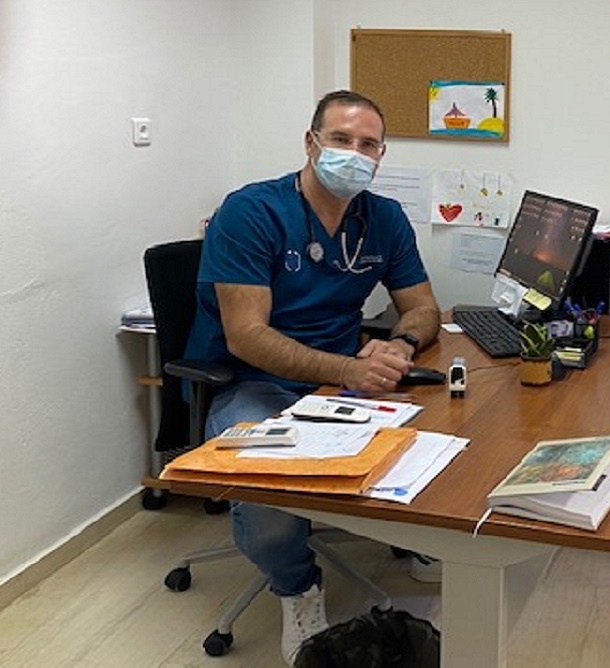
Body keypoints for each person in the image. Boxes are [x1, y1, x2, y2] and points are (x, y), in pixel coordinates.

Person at [185, 90, 441, 666]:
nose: (356, 153)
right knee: (264, 492)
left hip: (338, 384)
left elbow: (423, 307)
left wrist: (399, 344)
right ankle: (298, 588)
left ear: (381, 155)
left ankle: (421, 540)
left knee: (441, 433)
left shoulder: (384, 218)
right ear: (311, 142)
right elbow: (247, 336)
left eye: (369, 145)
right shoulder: (250, 212)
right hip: (249, 381)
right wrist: (350, 367)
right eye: (341, 140)